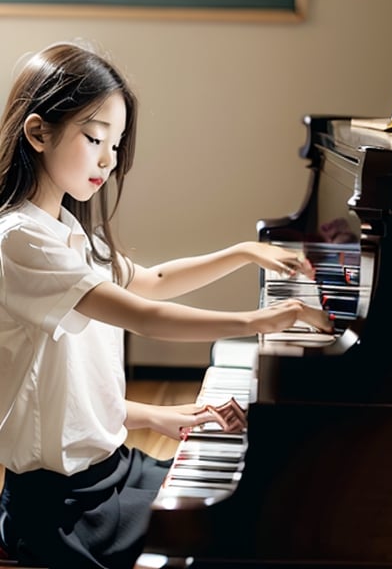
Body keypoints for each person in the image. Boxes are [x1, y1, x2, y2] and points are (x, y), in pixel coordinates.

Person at [0, 41, 331, 569]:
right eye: (94, 138)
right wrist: (260, 320)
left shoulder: (66, 231)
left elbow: (149, 283)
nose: (109, 160)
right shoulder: (19, 242)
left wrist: (242, 253)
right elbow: (145, 315)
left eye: (117, 143)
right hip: (62, 507)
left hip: (109, 472)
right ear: (38, 133)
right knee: (238, 530)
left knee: (254, 494)